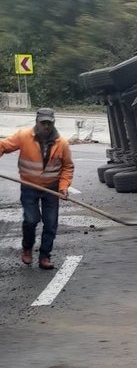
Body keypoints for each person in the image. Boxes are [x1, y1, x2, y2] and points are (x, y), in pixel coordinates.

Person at [0, 108, 74, 270]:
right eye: (43, 123)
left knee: (50, 223)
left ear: (53, 123)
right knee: (31, 219)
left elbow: (67, 167)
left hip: (51, 189)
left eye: (49, 123)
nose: (46, 126)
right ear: (37, 122)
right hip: (29, 186)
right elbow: (3, 146)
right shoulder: (23, 136)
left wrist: (63, 187)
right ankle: (27, 247)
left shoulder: (61, 143)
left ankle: (45, 256)